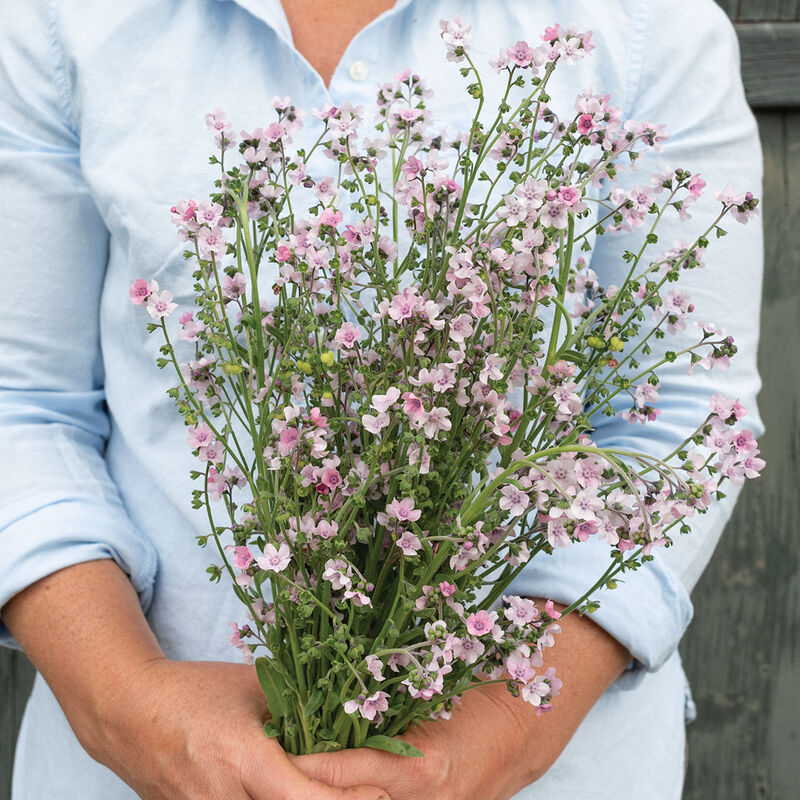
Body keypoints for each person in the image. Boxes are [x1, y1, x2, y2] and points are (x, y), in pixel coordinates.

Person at [0, 1, 763, 798]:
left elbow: (685, 417)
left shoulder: (645, 22)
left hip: (540, 771)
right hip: (135, 772)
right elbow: (21, 400)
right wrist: (129, 706)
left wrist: (494, 740)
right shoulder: (62, 16)